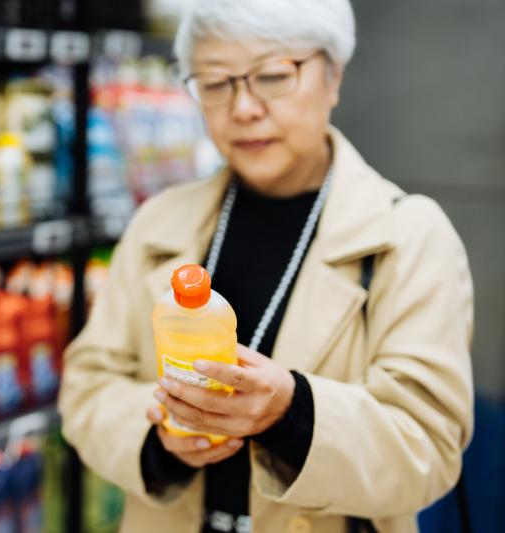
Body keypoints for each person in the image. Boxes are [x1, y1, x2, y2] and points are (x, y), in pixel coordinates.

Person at [59, 0, 474, 532]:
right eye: (214, 83)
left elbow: (429, 445)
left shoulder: (409, 237)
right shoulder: (158, 224)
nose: (245, 108)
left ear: (333, 77)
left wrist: (292, 411)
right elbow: (88, 387)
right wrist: (162, 437)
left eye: (274, 76)